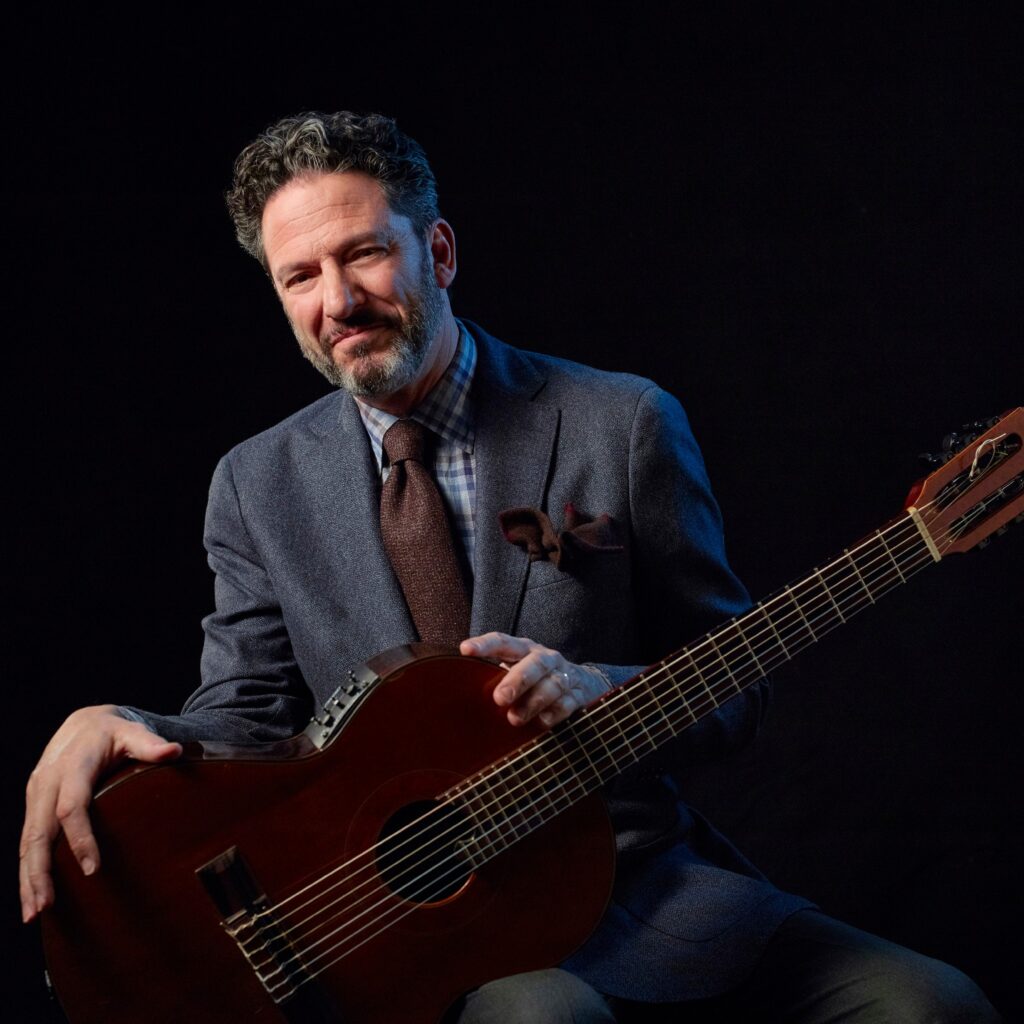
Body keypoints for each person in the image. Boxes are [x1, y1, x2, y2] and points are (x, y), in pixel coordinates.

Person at [20, 112, 1000, 1023]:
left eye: (364, 252)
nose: (338, 300)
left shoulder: (622, 423)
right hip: (412, 931)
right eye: (300, 276)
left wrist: (598, 689)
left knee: (931, 1003)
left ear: (437, 251)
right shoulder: (255, 483)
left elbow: (734, 689)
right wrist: (114, 723)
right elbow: (243, 724)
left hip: (634, 880)